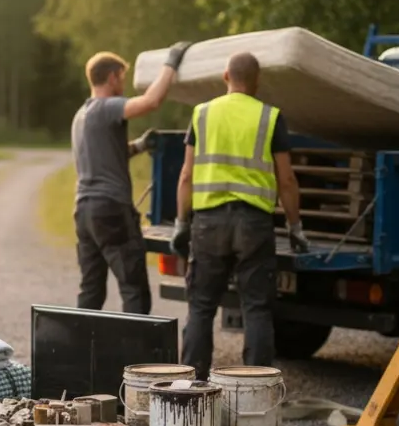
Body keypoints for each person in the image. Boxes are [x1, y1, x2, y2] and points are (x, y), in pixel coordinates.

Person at [172, 51, 310, 380]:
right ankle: (254, 387)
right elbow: (286, 179)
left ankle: (191, 387)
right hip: (253, 224)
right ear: (257, 81)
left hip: (208, 223)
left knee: (201, 308)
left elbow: (186, 176)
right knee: (256, 308)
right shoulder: (270, 117)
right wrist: (295, 227)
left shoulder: (202, 113)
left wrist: (181, 222)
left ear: (225, 76)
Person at [71, 43, 191, 314]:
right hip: (111, 210)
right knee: (134, 290)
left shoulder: (82, 115)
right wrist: (171, 63)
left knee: (91, 291)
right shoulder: (107, 107)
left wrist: (139, 145)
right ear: (112, 77)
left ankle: (78, 353)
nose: (123, 85)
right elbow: (151, 101)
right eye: (122, 78)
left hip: (84, 213)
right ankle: (133, 355)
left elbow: (110, 153)